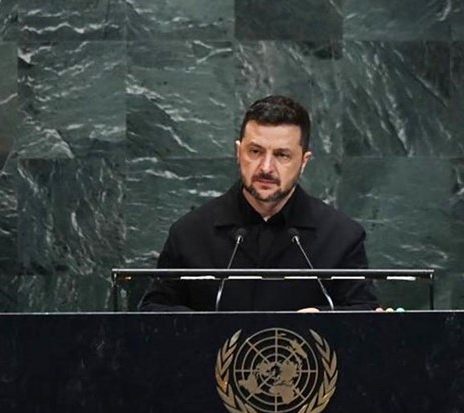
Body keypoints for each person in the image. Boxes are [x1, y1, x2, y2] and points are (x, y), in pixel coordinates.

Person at [140, 95, 377, 312]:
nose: (265, 168)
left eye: (282, 155)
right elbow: (153, 312)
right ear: (238, 152)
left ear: (304, 162)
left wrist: (321, 320)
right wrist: (204, 329)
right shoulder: (190, 233)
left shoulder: (342, 236)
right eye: (255, 151)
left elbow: (364, 315)